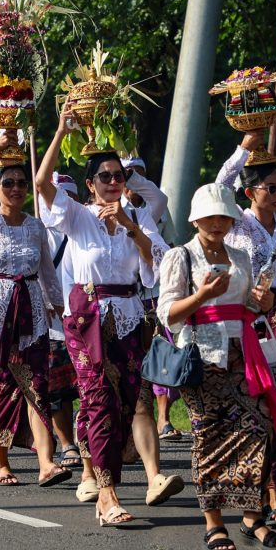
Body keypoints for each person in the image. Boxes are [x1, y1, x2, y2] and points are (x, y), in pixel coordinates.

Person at [36, 102, 180, 526]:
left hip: (131, 316)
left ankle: (106, 470)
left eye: (119, 176)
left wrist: (133, 229)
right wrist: (62, 132)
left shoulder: (138, 216)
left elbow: (159, 265)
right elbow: (43, 182)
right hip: (87, 316)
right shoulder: (77, 216)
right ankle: (107, 495)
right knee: (98, 400)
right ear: (91, 183)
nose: (114, 182)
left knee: (127, 402)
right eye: (105, 177)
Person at [157, 183, 276, 550]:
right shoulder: (180, 257)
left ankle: (252, 517)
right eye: (209, 216)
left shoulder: (240, 256)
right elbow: (167, 315)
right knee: (209, 435)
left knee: (259, 428)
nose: (217, 222)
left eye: (223, 216)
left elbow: (249, 307)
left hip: (244, 352)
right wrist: (201, 296)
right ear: (196, 218)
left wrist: (263, 302)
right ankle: (214, 523)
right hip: (202, 356)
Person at [216, 128, 276, 529]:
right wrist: (244, 147)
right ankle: (258, 489)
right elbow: (219, 184)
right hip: (249, 321)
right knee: (256, 404)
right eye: (270, 188)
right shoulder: (237, 224)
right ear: (250, 192)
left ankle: (275, 487)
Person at [0, 135, 70, 488]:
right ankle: (2, 463)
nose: (17, 188)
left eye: (23, 182)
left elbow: (48, 273)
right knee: (2, 386)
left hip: (33, 313)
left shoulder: (36, 226)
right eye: (8, 182)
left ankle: (46, 463)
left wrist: (58, 307)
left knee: (37, 386)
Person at [123, 156, 182, 443]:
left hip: (155, 293)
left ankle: (163, 417)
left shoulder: (147, 213)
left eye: (137, 174)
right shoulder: (93, 213)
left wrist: (131, 176)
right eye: (108, 177)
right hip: (124, 299)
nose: (123, 181)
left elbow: (158, 196)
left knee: (162, 352)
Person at [46, 172, 82, 469]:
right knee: (59, 390)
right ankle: (67, 443)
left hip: (88, 321)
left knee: (90, 386)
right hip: (53, 323)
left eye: (67, 197)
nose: (61, 204)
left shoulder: (87, 228)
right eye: (55, 197)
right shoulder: (39, 230)